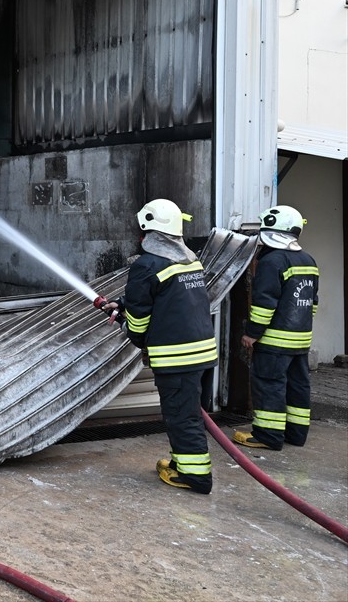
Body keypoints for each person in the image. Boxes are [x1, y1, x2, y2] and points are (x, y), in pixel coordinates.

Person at [103, 199, 216, 494]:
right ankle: (182, 463)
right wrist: (123, 304)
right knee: (187, 414)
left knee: (181, 416)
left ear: (149, 232)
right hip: (202, 352)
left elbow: (140, 318)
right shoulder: (190, 260)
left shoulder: (146, 264)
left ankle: (195, 477)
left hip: (176, 357)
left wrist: (136, 336)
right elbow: (167, 297)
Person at [234, 205, 319, 451]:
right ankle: (296, 434)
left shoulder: (272, 261)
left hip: (273, 343)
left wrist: (252, 334)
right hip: (300, 341)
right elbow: (312, 304)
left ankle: (267, 435)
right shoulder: (308, 259)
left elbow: (264, 305)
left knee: (269, 385)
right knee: (298, 386)